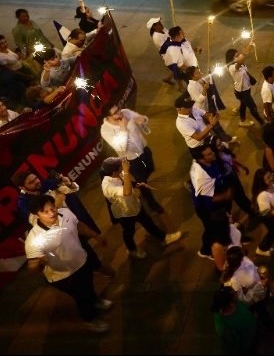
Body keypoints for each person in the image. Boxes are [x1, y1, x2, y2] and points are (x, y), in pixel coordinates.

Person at [24, 194, 113, 333]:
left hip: (81, 261)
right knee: (81, 297)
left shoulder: (65, 212)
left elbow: (79, 226)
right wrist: (39, 263)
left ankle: (96, 301)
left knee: (88, 285)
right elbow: (32, 268)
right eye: (45, 211)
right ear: (37, 215)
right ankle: (90, 320)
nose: (52, 212)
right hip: (63, 276)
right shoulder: (34, 238)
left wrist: (96, 236)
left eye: (52, 207)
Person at [101, 105, 170, 226]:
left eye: (118, 109)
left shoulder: (125, 112)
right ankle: (152, 203)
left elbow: (141, 119)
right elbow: (120, 147)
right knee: (142, 182)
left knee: (149, 169)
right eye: (115, 113)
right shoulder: (105, 130)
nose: (120, 113)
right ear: (107, 116)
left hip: (144, 149)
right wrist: (123, 128)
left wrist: (143, 119)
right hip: (132, 159)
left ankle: (142, 184)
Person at [100, 157, 182, 259]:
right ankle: (132, 249)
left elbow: (127, 182)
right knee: (129, 232)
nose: (123, 166)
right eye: (120, 166)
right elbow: (126, 192)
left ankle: (164, 238)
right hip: (125, 213)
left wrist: (138, 185)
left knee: (148, 221)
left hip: (135, 205)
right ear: (114, 171)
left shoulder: (117, 174)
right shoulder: (107, 186)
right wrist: (126, 171)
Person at [226, 43, 264, 128]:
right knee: (253, 107)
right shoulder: (232, 67)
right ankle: (262, 123)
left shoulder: (241, 64)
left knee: (243, 104)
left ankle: (241, 117)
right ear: (231, 59)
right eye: (236, 55)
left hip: (246, 89)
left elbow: (242, 59)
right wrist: (246, 50)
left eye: (238, 54)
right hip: (242, 92)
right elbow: (241, 60)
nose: (238, 56)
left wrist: (251, 43)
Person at [211, 286, 257, 355]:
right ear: (229, 302)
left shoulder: (221, 309)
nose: (236, 292)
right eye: (234, 293)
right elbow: (234, 343)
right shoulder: (227, 327)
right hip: (245, 344)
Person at [12, 8, 55, 74]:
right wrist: (26, 52)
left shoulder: (32, 22)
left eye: (27, 15)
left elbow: (41, 34)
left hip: (44, 45)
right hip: (33, 49)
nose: (26, 18)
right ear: (18, 17)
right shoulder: (17, 29)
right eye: (23, 16)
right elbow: (20, 43)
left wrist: (49, 42)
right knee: (45, 60)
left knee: (55, 55)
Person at [147, 17, 176, 85]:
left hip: (173, 51)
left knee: (177, 68)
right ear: (154, 27)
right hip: (168, 55)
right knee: (177, 68)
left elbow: (170, 35)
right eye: (159, 23)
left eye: (160, 23)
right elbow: (165, 47)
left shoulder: (163, 29)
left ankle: (168, 79)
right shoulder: (156, 37)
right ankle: (180, 87)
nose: (161, 24)